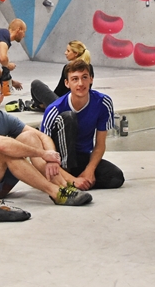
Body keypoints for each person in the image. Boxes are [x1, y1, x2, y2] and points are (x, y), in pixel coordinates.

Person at [0, 75, 93, 207]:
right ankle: (55, 192)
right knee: (5, 151)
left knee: (30, 137)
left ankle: (63, 186)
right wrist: (40, 153)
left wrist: (51, 156)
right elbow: (0, 145)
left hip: (0, 185)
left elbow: (42, 136)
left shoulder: (3, 117)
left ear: (2, 97)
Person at [40, 59, 124, 191]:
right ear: (67, 83)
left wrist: (89, 170)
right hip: (58, 161)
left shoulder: (103, 103)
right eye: (75, 79)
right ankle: (66, 179)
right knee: (68, 117)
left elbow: (100, 144)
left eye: (84, 77)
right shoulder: (54, 109)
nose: (80, 83)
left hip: (82, 157)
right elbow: (44, 150)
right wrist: (69, 177)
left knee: (116, 177)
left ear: (91, 79)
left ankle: (77, 180)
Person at [28, 40, 90, 112]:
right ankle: (42, 105)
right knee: (39, 91)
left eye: (68, 51)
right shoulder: (89, 68)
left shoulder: (69, 68)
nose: (65, 53)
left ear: (76, 53)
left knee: (36, 84)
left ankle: (43, 106)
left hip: (65, 106)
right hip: (82, 104)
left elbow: (59, 91)